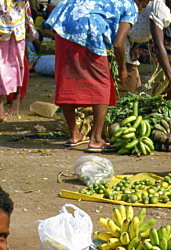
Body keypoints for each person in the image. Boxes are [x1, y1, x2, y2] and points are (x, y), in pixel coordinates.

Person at [45, 0, 137, 151]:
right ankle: (95, 139)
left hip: (62, 21)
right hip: (88, 26)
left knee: (67, 78)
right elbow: (118, 44)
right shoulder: (131, 5)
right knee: (102, 83)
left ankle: (74, 134)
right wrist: (122, 69)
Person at [126, 1, 171, 98]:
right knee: (129, 85)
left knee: (135, 84)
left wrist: (135, 46)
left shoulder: (161, 8)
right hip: (122, 42)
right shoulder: (160, 8)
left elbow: (146, 29)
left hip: (129, 43)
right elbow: (158, 45)